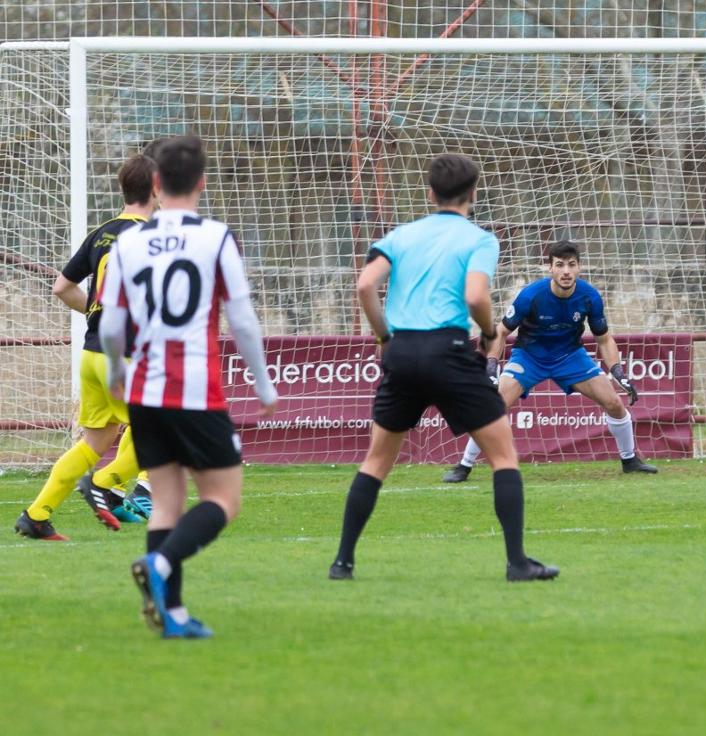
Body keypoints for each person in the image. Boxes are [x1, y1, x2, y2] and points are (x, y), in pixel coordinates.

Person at [328, 153, 558, 583]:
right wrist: (490, 331)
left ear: (429, 192)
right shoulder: (480, 239)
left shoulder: (401, 234)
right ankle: (517, 563)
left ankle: (342, 562)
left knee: (376, 461)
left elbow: (364, 285)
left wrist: (384, 338)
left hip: (402, 351)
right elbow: (475, 296)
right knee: (503, 456)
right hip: (447, 350)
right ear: (473, 193)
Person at [99, 135, 278, 638]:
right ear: (202, 181)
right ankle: (159, 567)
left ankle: (172, 613)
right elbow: (241, 319)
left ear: (155, 183)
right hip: (195, 389)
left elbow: (113, 324)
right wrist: (263, 386)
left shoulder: (128, 242)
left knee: (166, 503)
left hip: (143, 388)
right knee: (224, 499)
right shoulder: (217, 237)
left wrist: (115, 370)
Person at [14, 154, 158, 541]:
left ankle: (37, 515)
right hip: (124, 354)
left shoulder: (102, 232)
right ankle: (104, 484)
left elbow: (61, 287)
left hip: (93, 351)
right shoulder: (155, 237)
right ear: (156, 188)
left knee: (96, 440)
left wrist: (98, 311)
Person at [442, 240, 658, 483]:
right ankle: (464, 466)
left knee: (614, 402)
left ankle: (630, 461)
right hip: (529, 357)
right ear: (550, 268)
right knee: (495, 406)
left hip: (570, 357)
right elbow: (500, 332)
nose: (566, 271)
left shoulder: (590, 297)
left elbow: (604, 339)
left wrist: (618, 370)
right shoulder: (531, 296)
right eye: (560, 265)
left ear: (579, 268)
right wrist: (491, 364)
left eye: (571, 265)